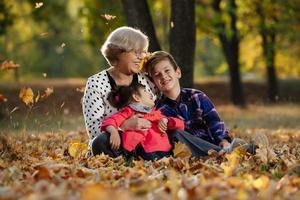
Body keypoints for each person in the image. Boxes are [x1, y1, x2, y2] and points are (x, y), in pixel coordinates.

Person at [144, 51, 255, 157]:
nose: (163, 76)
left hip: (210, 145)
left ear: (178, 72)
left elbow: (214, 122)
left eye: (167, 70)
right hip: (187, 153)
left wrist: (223, 140)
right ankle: (232, 152)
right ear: (154, 82)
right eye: (157, 75)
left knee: (226, 145)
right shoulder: (158, 109)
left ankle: (229, 150)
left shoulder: (197, 97)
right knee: (176, 133)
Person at [82, 26, 156, 157]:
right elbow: (94, 130)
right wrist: (124, 126)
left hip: (145, 142)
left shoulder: (144, 79)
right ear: (118, 52)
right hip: (114, 145)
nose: (141, 57)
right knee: (100, 142)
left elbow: (157, 109)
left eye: (143, 52)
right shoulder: (96, 83)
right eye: (136, 52)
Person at [100, 82, 184, 160]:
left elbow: (180, 124)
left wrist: (166, 121)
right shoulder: (129, 112)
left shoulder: (156, 113)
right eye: (145, 91)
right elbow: (110, 121)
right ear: (136, 97)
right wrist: (114, 132)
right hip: (145, 152)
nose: (149, 93)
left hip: (166, 151)